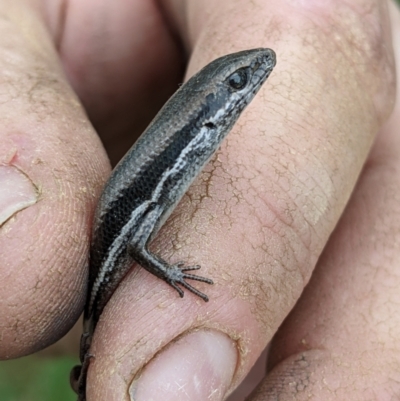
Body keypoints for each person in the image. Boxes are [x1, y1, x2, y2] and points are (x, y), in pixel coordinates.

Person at [0, 0, 398, 400]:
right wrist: (171, 275)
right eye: (237, 83)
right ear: (208, 113)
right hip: (103, 269)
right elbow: (135, 243)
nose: (254, 76)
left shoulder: (195, 144)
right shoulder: (177, 156)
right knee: (94, 355)